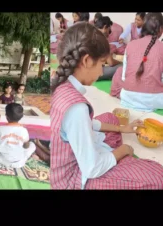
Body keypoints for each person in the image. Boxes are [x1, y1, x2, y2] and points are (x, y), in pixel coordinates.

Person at [50, 22, 163, 189]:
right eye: (102, 64)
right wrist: (123, 150)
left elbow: (85, 124)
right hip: (73, 176)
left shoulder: (61, 85)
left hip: (76, 151)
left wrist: (122, 129)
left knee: (111, 118)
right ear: (87, 60)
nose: (102, 73)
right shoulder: (76, 108)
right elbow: (92, 168)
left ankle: (114, 153)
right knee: (158, 176)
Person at [110, 13, 163, 111]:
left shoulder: (130, 45)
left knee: (119, 71)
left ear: (143, 27)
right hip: (157, 100)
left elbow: (124, 77)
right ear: (160, 29)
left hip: (128, 97)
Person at [0, 103, 36, 168]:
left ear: (6, 116)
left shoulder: (0, 128)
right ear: (21, 116)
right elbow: (26, 146)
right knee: (32, 145)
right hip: (19, 163)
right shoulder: (24, 131)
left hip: (1, 160)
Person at [94, 16, 125, 80]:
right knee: (124, 67)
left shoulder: (91, 35)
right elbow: (111, 63)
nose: (109, 32)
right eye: (109, 29)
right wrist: (121, 62)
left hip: (84, 71)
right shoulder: (103, 39)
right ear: (105, 27)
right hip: (95, 73)